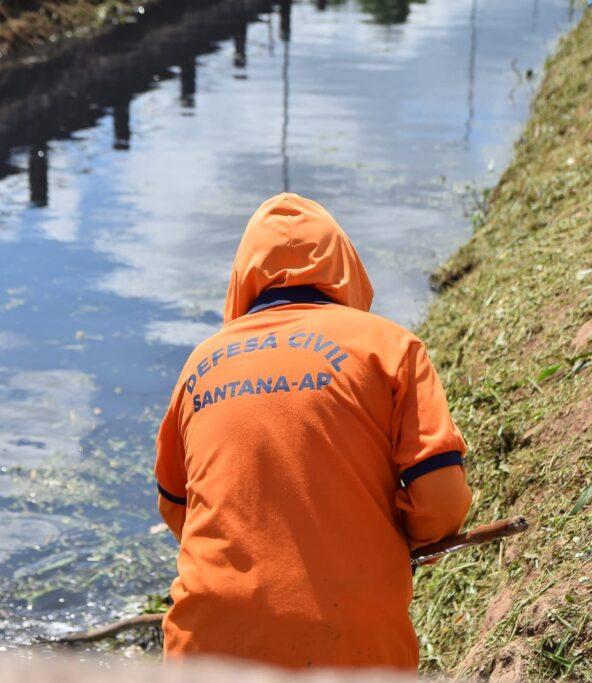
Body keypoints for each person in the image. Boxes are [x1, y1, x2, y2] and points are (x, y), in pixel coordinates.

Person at [154, 192, 472, 670]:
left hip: (206, 651)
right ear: (346, 266)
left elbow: (179, 509)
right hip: (352, 650)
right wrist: (396, 538)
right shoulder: (390, 348)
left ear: (243, 279)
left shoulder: (200, 363)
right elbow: (441, 498)